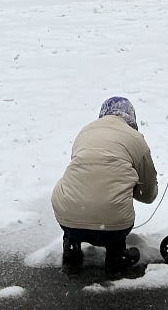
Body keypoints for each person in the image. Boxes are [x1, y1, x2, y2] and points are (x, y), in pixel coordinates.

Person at [51, 96, 158, 275]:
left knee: (74, 186)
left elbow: (83, 179)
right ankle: (115, 256)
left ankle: (71, 247)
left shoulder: (85, 132)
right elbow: (147, 195)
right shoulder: (136, 139)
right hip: (113, 228)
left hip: (68, 221)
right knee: (113, 192)